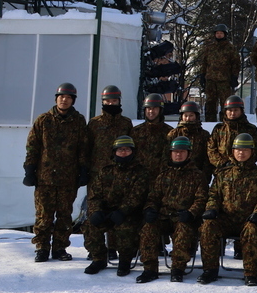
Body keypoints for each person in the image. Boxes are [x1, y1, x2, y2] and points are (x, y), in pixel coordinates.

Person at [24, 82, 90, 263]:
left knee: (64, 215)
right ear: (56, 99)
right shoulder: (43, 120)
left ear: (73, 101)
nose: (64, 100)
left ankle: (60, 248)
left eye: (68, 97)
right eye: (62, 97)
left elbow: (83, 148)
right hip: (45, 177)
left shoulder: (78, 121)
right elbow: (33, 147)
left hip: (68, 178)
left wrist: (84, 169)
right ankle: (42, 248)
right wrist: (29, 169)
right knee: (44, 215)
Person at [197, 133, 257, 285]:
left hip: (249, 220)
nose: (241, 153)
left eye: (245, 150)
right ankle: (209, 270)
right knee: (207, 227)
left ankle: (250, 273)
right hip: (226, 219)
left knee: (251, 230)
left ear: (252, 152)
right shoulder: (223, 173)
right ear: (232, 151)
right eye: (238, 149)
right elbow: (213, 195)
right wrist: (211, 209)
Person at [137, 136, 208, 283]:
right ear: (170, 153)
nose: (178, 154)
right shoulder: (163, 175)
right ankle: (149, 269)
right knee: (148, 228)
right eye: (175, 151)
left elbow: (201, 199)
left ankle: (178, 269)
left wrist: (191, 212)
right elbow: (153, 197)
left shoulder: (198, 175)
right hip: (163, 216)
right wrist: (149, 209)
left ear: (188, 153)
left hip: (184, 217)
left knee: (183, 230)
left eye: (182, 151)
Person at [83, 135, 148, 276]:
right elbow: (94, 194)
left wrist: (123, 211)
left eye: (127, 150)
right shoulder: (105, 171)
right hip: (106, 211)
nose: (123, 152)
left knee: (126, 229)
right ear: (114, 152)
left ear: (133, 152)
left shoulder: (140, 171)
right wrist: (96, 211)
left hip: (129, 213)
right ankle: (98, 258)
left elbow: (137, 196)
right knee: (90, 225)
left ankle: (125, 261)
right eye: (120, 150)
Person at [87, 85, 134, 178]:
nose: (110, 104)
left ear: (119, 101)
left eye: (114, 101)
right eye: (107, 101)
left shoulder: (126, 123)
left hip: (120, 174)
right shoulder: (95, 123)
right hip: (97, 173)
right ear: (103, 102)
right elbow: (87, 147)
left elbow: (131, 148)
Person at [208, 94, 257, 171]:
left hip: (245, 170)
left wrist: (243, 165)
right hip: (222, 170)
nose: (232, 113)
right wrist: (223, 164)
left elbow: (255, 150)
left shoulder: (250, 129)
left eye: (236, 110)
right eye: (230, 110)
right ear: (225, 111)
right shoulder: (219, 129)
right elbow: (211, 149)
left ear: (241, 111)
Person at [200, 24, 241, 122]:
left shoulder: (230, 48)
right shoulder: (209, 48)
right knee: (210, 103)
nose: (219, 35)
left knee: (225, 103)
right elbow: (204, 63)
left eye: (221, 33)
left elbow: (236, 63)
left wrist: (234, 77)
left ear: (225, 34)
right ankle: (209, 123)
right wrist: (202, 75)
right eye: (217, 33)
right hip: (210, 80)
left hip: (224, 80)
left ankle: (226, 123)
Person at [131, 92, 171, 183]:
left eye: (154, 108)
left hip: (160, 180)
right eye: (148, 108)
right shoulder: (135, 131)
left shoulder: (169, 132)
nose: (151, 111)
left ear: (160, 110)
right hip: (138, 181)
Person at [168, 100, 212, 178]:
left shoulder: (204, 135)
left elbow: (207, 158)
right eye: (186, 115)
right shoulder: (174, 133)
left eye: (191, 115)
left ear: (196, 116)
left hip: (197, 175)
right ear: (181, 116)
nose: (188, 118)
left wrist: (205, 176)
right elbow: (167, 155)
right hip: (175, 175)